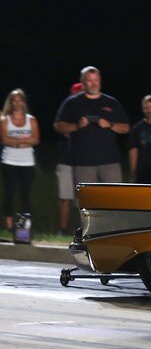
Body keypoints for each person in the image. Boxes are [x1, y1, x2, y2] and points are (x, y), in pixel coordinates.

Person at [54, 66, 130, 188]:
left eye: (96, 80)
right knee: (88, 204)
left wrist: (110, 124)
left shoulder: (111, 102)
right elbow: (58, 126)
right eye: (90, 80)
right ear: (83, 82)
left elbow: (125, 128)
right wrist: (77, 125)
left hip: (110, 162)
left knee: (115, 201)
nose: (94, 84)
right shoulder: (72, 102)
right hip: (83, 163)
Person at [1, 89, 39, 231]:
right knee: (9, 192)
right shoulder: (5, 120)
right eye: (14, 101)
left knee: (25, 194)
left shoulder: (31, 120)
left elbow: (35, 139)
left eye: (19, 100)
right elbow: (5, 140)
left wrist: (16, 141)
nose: (17, 103)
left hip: (27, 162)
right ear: (10, 103)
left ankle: (25, 225)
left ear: (23, 102)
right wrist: (23, 141)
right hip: (9, 160)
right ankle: (10, 225)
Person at [54, 82, 83, 236]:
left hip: (83, 162)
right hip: (65, 160)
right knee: (65, 197)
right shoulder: (66, 111)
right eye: (76, 93)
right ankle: (62, 229)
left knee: (83, 200)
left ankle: (83, 231)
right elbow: (62, 129)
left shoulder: (88, 112)